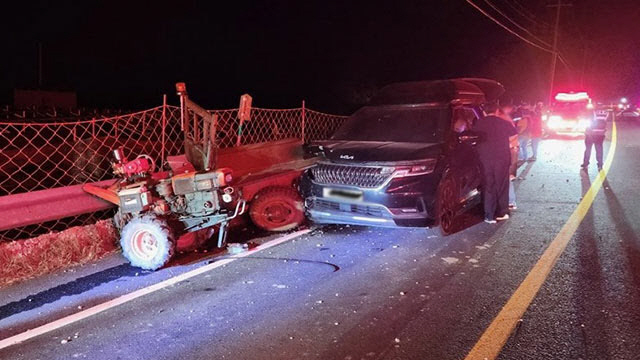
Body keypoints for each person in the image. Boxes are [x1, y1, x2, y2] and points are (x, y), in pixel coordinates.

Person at [474, 102, 517, 224]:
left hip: (485, 159)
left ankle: (489, 215)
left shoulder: (479, 123)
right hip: (502, 158)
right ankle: (502, 212)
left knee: (488, 186)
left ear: (484, 112)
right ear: (497, 111)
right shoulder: (503, 122)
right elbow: (514, 136)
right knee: (502, 185)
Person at [498, 103, 519, 210]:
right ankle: (510, 201)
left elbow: (513, 135)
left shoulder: (503, 119)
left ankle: (511, 201)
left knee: (506, 177)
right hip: (511, 150)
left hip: (509, 150)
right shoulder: (506, 119)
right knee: (506, 177)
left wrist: (503, 142)